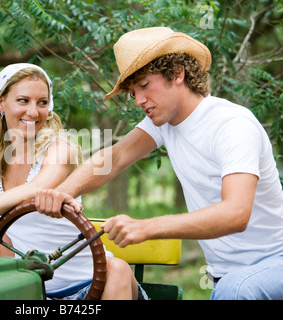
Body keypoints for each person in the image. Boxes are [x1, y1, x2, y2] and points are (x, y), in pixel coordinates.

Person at [35, 27, 283, 300]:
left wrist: (146, 227)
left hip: (273, 264)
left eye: (144, 85)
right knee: (232, 288)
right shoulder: (166, 124)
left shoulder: (232, 125)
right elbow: (114, 157)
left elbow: (236, 214)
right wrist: (63, 192)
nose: (139, 100)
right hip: (227, 278)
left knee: (235, 290)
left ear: (177, 74)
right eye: (133, 92)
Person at [0, 63, 142, 300]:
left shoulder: (59, 148)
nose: (33, 112)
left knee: (118, 268)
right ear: (0, 103)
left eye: (42, 102)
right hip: (38, 291)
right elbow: (5, 238)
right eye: (23, 100)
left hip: (93, 284)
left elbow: (37, 188)